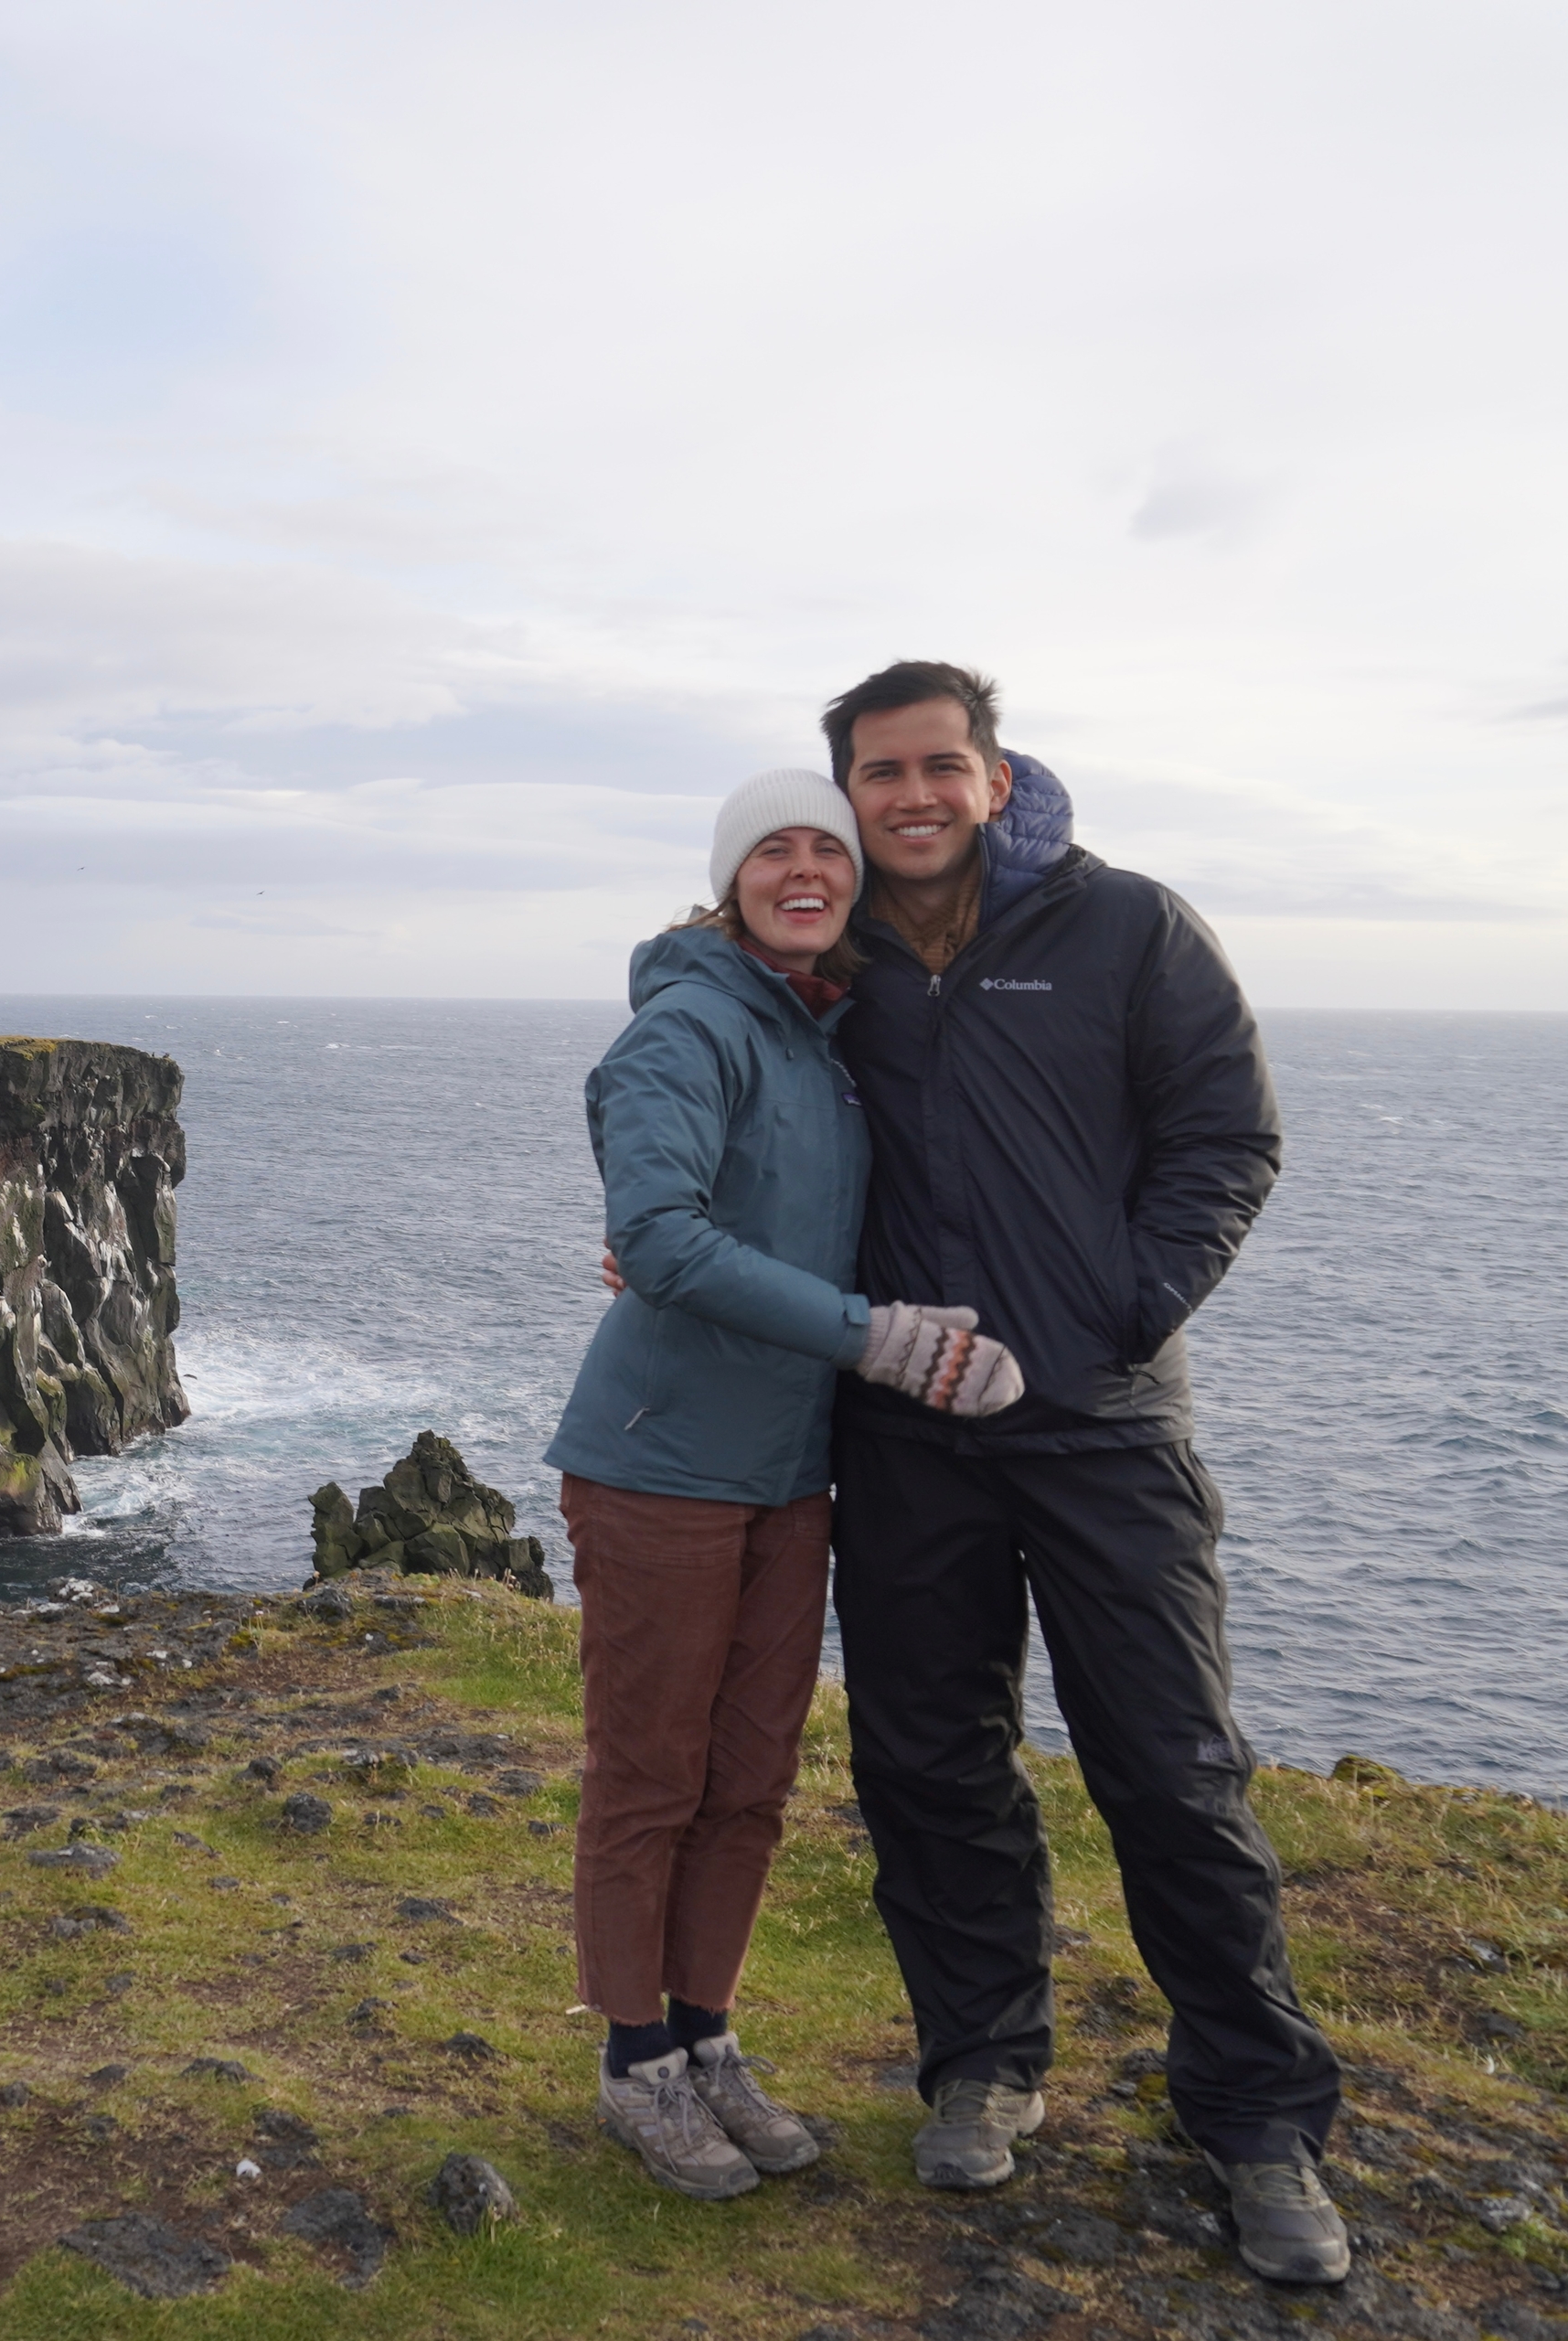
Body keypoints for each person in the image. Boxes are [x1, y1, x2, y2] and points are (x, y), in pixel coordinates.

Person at [821, 659, 1349, 2286]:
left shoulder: (1128, 927)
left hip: (1104, 1425)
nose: (912, 795)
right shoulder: (826, 948)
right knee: (928, 1763)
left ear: (995, 776)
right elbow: (726, 1103)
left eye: (939, 765)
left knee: (1173, 1770)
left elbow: (1227, 1138)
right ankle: (981, 2063)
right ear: (846, 792)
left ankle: (1256, 2120)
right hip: (905, 1429)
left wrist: (1123, 1309)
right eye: (879, 772)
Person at [544, 768, 1022, 2202]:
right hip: (660, 1461)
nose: (805, 869)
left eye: (829, 849)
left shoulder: (822, 1033)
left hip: (788, 1469)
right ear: (730, 878)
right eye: (774, 850)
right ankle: (635, 2059)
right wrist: (883, 1339)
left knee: (750, 1776)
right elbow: (662, 1236)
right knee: (652, 1774)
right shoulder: (689, 1026)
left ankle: (707, 2033)